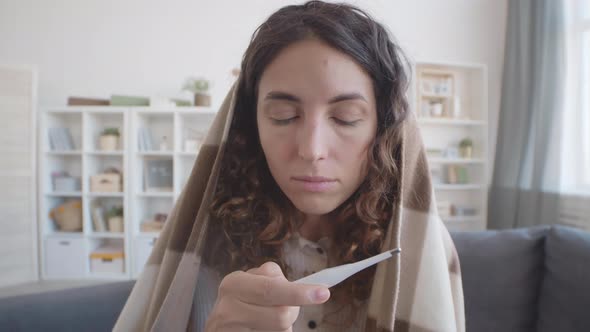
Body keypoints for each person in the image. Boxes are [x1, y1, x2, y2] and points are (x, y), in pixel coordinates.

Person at [115, 2, 465, 331]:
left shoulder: (421, 251)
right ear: (251, 125)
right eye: (284, 116)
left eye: (345, 118)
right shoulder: (202, 245)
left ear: (383, 129)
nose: (312, 150)